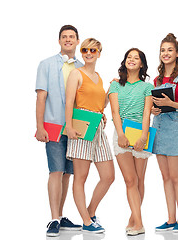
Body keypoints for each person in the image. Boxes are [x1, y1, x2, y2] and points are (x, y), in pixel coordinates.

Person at [35, 25, 83, 237]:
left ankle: (61, 215)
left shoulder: (82, 67)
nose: (68, 40)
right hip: (53, 125)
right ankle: (53, 218)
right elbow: (41, 97)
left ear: (77, 40)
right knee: (55, 170)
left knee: (68, 174)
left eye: (71, 36)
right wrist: (39, 126)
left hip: (76, 129)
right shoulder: (45, 65)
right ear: (59, 41)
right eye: (64, 37)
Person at [65, 38, 115, 234]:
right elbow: (69, 102)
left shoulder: (99, 77)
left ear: (99, 53)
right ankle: (86, 222)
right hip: (80, 127)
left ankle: (90, 213)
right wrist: (69, 127)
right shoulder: (76, 74)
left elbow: (100, 104)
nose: (88, 53)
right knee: (81, 177)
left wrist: (110, 91)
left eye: (92, 50)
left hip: (98, 128)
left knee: (108, 176)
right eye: (85, 49)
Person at [151, 33, 178, 233]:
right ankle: (170, 219)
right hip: (159, 127)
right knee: (165, 176)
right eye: (163, 50)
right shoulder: (157, 79)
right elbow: (153, 104)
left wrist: (170, 103)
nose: (166, 53)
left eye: (170, 50)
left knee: (177, 176)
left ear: (177, 53)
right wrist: (154, 108)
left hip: (175, 128)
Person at [108, 48, 154, 236]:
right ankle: (140, 223)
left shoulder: (146, 87)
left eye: (136, 58)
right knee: (130, 179)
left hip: (141, 134)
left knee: (139, 179)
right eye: (129, 57)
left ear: (141, 64)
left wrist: (143, 136)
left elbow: (146, 113)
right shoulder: (116, 85)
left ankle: (134, 219)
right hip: (122, 134)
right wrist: (120, 134)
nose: (132, 60)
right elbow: (115, 112)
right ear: (124, 61)